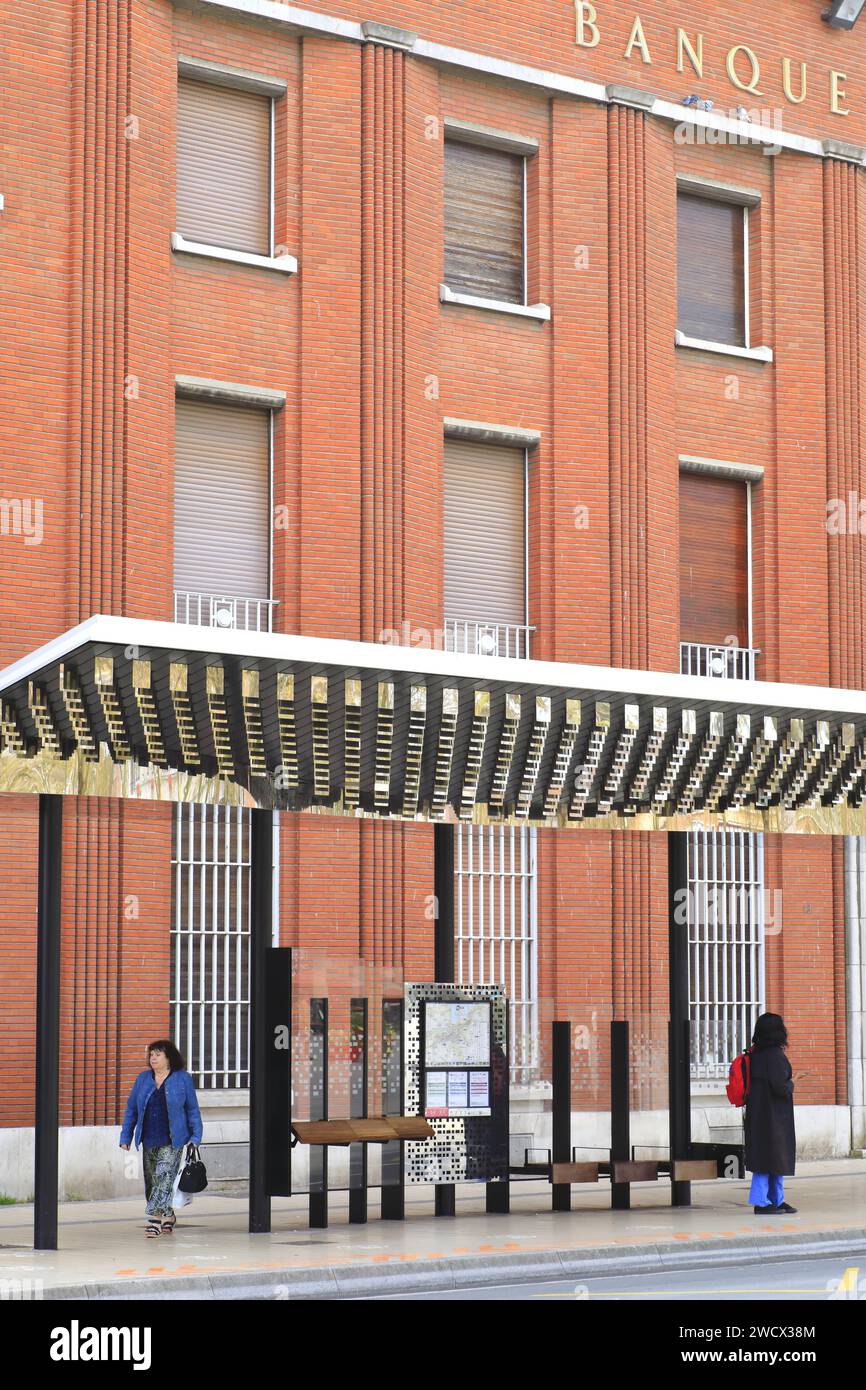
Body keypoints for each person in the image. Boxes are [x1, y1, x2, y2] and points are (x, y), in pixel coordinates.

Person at [120, 1040, 203, 1237]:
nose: (153, 1058)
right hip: (148, 1138)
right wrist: (126, 1136)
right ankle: (168, 1214)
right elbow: (131, 1109)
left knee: (164, 1176)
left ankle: (155, 1221)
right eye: (151, 1054)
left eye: (158, 1054)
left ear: (169, 1058)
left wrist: (196, 1137)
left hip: (173, 1139)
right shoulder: (143, 1079)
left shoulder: (182, 1079)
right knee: (152, 1182)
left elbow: (192, 1110)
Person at [744, 1012, 799, 1215]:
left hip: (759, 1115)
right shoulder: (775, 1056)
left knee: (770, 1157)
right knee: (770, 1158)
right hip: (774, 1117)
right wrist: (793, 1082)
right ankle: (761, 1201)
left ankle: (776, 1199)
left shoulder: (755, 1055)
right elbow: (780, 1088)